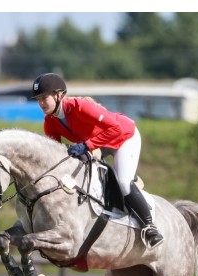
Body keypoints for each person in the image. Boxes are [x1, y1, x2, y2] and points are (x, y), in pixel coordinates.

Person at [31, 72, 164, 249]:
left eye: (44, 98)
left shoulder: (80, 106)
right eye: (38, 99)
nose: (41, 103)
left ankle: (150, 227)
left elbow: (115, 128)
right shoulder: (50, 122)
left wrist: (86, 146)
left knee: (123, 182)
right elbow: (56, 155)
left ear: (58, 95)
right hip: (99, 144)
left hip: (124, 136)